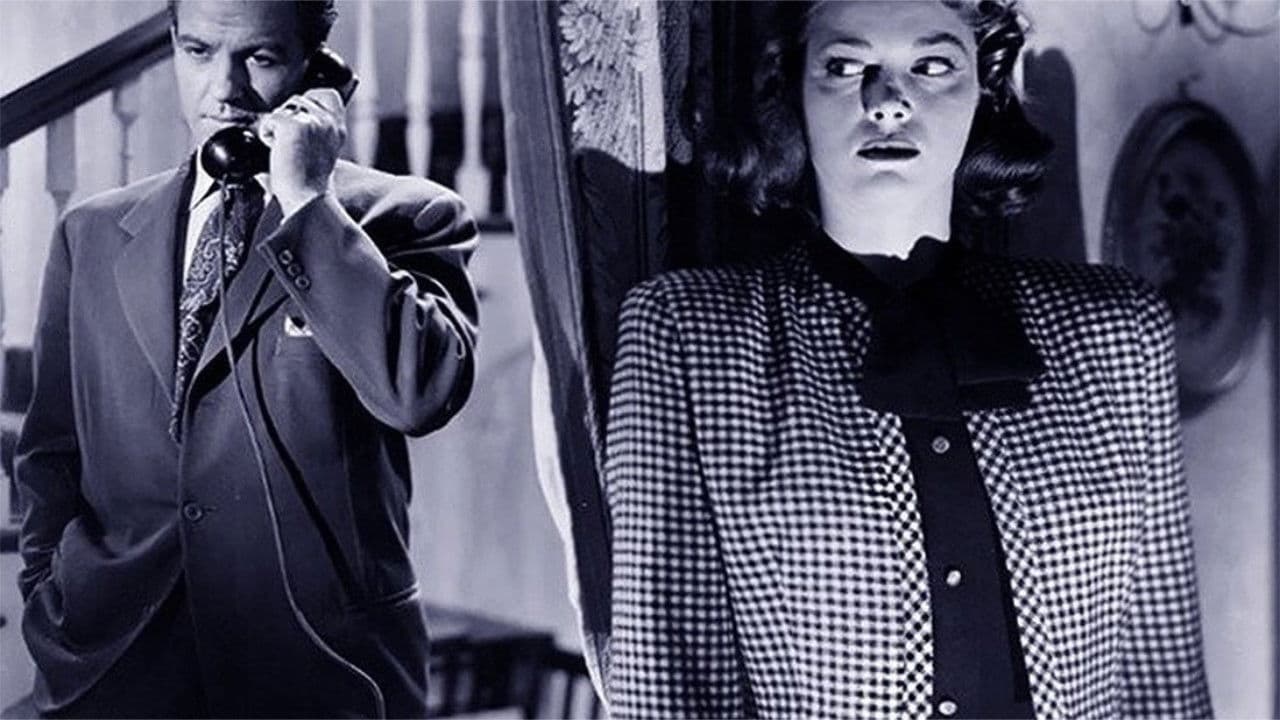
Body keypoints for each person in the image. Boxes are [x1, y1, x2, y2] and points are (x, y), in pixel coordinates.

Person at [604, 1, 1212, 718]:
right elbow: (670, 681)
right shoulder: (690, 336)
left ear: (983, 93)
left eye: (932, 65)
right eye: (844, 66)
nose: (888, 102)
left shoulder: (1118, 333)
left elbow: (1161, 676)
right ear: (793, 94)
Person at [15, 1, 478, 717]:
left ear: (314, 66)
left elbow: (416, 392)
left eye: (259, 58)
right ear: (173, 44)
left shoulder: (406, 218)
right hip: (112, 665)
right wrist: (51, 593)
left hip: (314, 677)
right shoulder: (91, 232)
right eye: (199, 52)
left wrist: (308, 203)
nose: (224, 90)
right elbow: (51, 452)